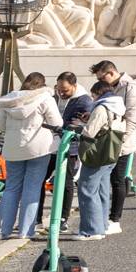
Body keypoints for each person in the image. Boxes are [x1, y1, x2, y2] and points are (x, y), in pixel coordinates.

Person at [0, 72, 62, 240]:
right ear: (42, 84)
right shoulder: (45, 98)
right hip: (39, 148)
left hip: (13, 148)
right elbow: (56, 123)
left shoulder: (10, 100)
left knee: (11, 188)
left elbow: (0, 126)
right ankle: (25, 230)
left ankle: (1, 229)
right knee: (32, 188)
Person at [91, 60, 136, 234]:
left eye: (102, 78)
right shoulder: (111, 87)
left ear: (112, 73)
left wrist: (118, 141)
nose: (102, 82)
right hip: (105, 141)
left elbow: (133, 119)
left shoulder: (131, 88)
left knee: (118, 180)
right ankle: (105, 216)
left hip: (122, 142)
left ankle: (115, 219)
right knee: (105, 179)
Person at [73, 78, 128, 240]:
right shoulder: (118, 106)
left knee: (87, 188)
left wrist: (79, 126)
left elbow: (90, 132)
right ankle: (102, 224)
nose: (93, 99)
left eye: (93, 95)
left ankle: (91, 230)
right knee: (103, 190)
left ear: (99, 93)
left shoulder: (101, 108)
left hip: (98, 153)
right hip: (112, 152)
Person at [48, 72, 93, 233]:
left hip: (69, 145)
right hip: (49, 145)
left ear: (74, 86)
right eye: (59, 89)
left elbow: (84, 120)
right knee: (40, 179)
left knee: (65, 182)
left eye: (65, 90)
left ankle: (62, 218)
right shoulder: (55, 96)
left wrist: (68, 126)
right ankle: (38, 218)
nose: (61, 93)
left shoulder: (84, 100)